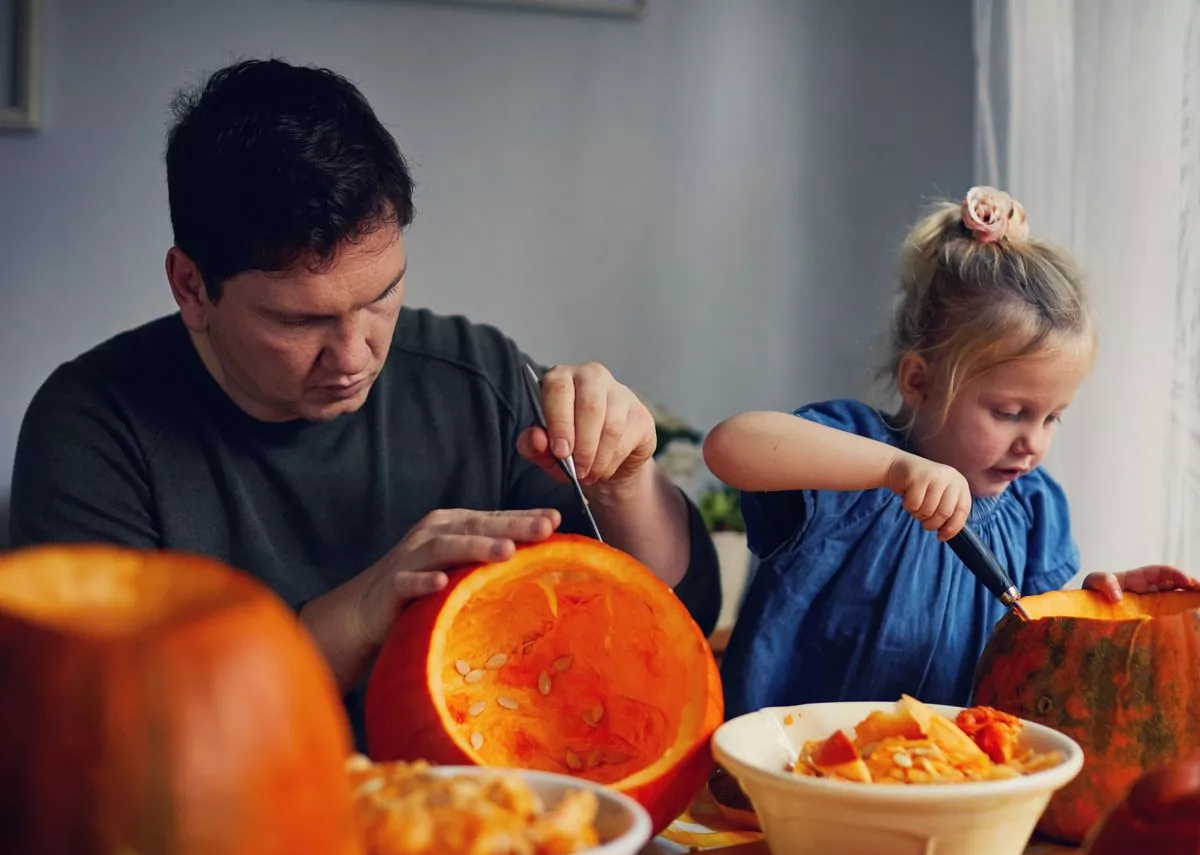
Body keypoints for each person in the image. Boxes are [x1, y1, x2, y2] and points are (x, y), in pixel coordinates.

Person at [8, 58, 720, 750]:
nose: (355, 356)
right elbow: (107, 735)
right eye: (299, 321)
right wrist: (355, 613)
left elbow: (675, 623)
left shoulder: (475, 373)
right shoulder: (93, 427)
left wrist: (627, 483)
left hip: (478, 827)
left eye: (381, 297)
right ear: (191, 287)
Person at [703, 186, 1198, 720]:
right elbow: (729, 445)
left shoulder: (1035, 509)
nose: (1033, 442)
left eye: (1052, 417)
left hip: (943, 783)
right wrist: (893, 469)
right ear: (919, 382)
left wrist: (1113, 612)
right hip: (784, 776)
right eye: (1010, 412)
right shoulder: (852, 462)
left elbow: (1044, 650)